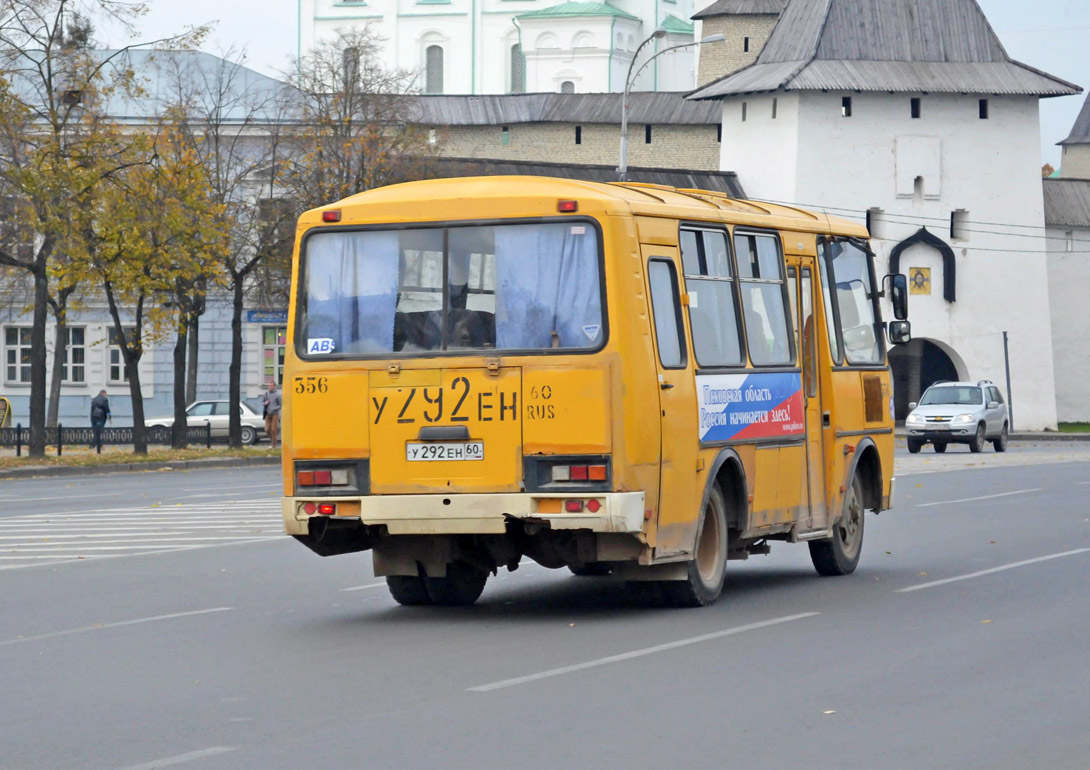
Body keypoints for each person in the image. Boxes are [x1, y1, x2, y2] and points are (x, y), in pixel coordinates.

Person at [263, 381, 282, 448]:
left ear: (274, 386)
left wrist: (275, 408)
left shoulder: (278, 394)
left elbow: (281, 405)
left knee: (273, 429)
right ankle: (273, 441)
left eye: (271, 386)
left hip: (275, 414)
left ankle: (273, 444)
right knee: (267, 429)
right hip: (268, 414)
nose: (270, 387)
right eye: (269, 386)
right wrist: (265, 403)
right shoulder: (266, 394)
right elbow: (263, 402)